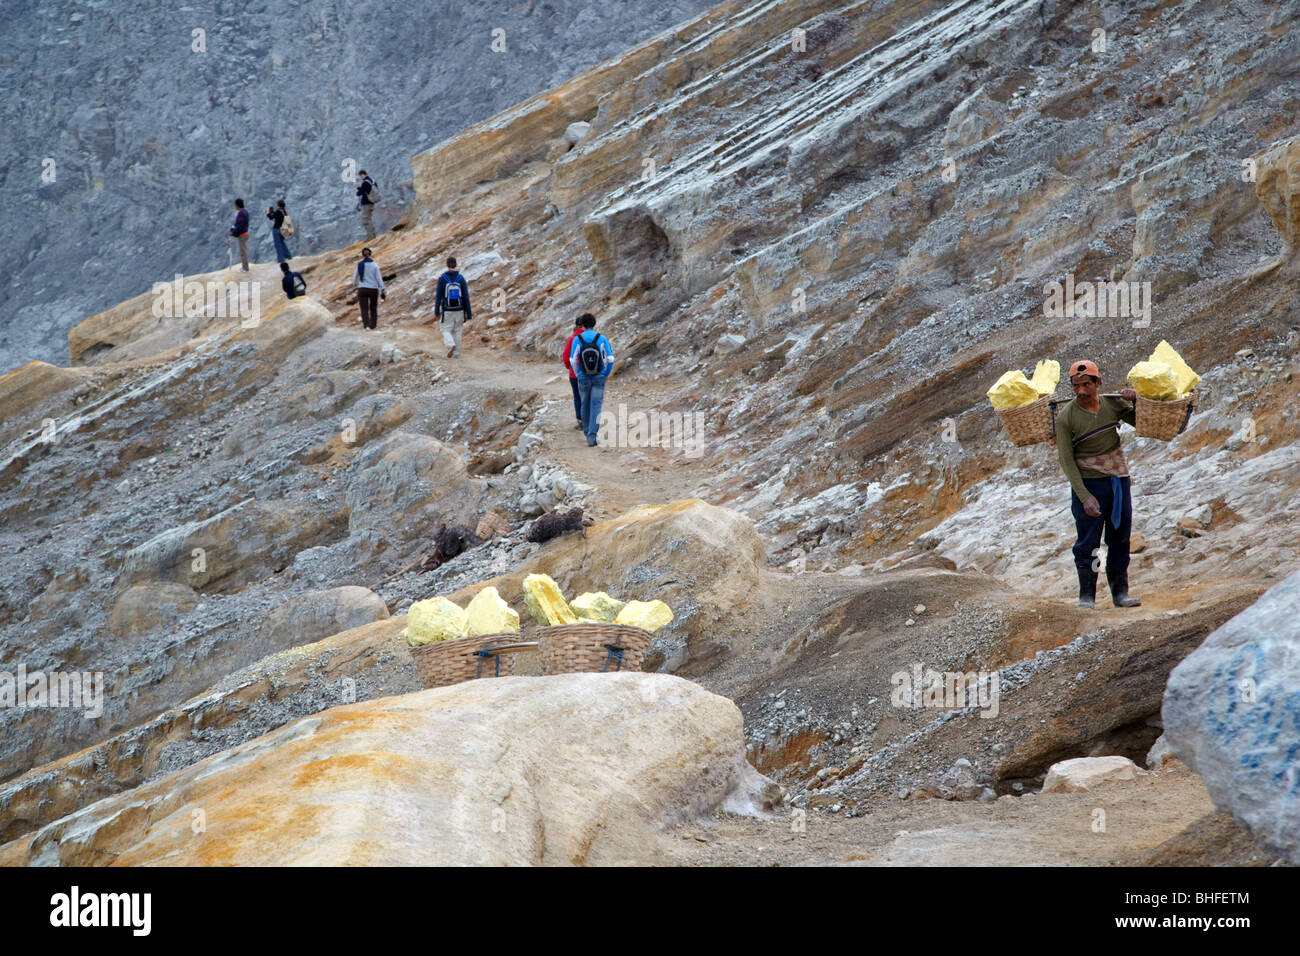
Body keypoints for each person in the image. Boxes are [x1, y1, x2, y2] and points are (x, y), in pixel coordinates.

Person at [1054, 359, 1141, 609]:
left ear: (1097, 383)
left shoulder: (1112, 404)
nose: (1081, 391)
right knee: (1088, 542)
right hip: (1089, 484)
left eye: (1086, 385)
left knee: (1120, 537)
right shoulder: (1066, 417)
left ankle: (1120, 593)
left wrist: (1134, 400)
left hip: (1118, 480)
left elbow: (1140, 421)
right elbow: (1066, 459)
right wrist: (1084, 496)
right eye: (1076, 386)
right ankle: (1087, 596)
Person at [569, 313, 614, 447]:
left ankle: (587, 430)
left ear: (581, 325)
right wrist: (606, 373)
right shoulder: (601, 338)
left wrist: (578, 374)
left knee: (584, 403)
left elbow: (572, 360)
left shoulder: (578, 339)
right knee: (596, 405)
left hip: (583, 376)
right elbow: (610, 358)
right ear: (594, 324)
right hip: (599, 375)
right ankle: (592, 437)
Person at [434, 256, 472, 358]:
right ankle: (456, 353)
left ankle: (450, 345)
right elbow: (466, 297)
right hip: (460, 309)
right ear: (456, 265)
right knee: (457, 330)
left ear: (447, 265)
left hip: (447, 310)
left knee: (445, 329)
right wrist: (469, 313)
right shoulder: (461, 278)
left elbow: (438, 297)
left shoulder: (442, 278)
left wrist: (437, 311)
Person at [561, 318, 585, 430]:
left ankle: (581, 421)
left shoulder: (572, 339)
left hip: (575, 375)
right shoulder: (594, 338)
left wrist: (569, 368)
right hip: (591, 373)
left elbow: (566, 357)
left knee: (577, 397)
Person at [354, 247, 385, 330]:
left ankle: (366, 325)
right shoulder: (375, 265)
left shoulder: (359, 264)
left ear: (362, 255)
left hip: (362, 289)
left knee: (364, 308)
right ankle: (373, 325)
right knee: (373, 308)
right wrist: (382, 288)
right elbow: (379, 278)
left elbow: (355, 277)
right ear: (370, 254)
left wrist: (355, 284)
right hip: (373, 289)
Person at [229, 199, 250, 272]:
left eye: (235, 205)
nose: (234, 206)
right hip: (245, 233)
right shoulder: (244, 212)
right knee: (243, 251)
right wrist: (232, 229)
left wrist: (233, 232)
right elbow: (237, 224)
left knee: (242, 252)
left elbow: (239, 225)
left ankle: (245, 268)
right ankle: (244, 267)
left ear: (237, 205)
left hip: (243, 235)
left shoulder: (241, 213)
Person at [356, 170, 377, 240]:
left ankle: (371, 237)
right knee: (369, 219)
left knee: (366, 220)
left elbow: (361, 192)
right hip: (372, 202)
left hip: (366, 203)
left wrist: (359, 190)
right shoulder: (372, 181)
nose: (361, 177)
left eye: (360, 176)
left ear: (362, 175)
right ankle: (372, 235)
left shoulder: (366, 182)